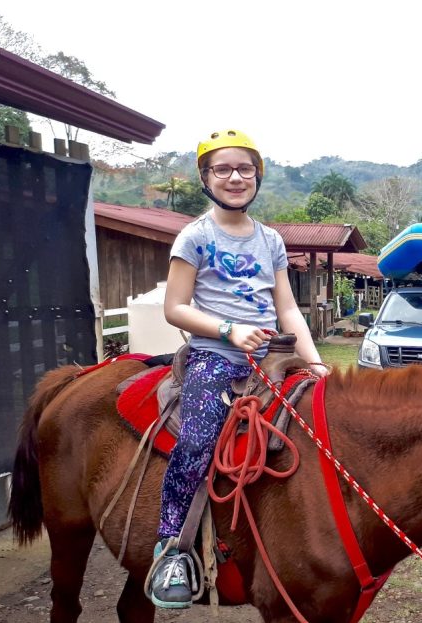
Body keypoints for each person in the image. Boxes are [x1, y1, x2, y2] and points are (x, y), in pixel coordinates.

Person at [150, 129, 329, 609]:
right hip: (215, 356)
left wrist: (315, 363)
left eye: (245, 168)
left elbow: (287, 308)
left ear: (257, 176)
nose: (235, 177)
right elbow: (174, 307)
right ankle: (171, 549)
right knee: (196, 440)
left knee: (321, 425)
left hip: (273, 356)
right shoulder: (195, 236)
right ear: (206, 177)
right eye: (223, 169)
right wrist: (228, 330)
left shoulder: (270, 240)